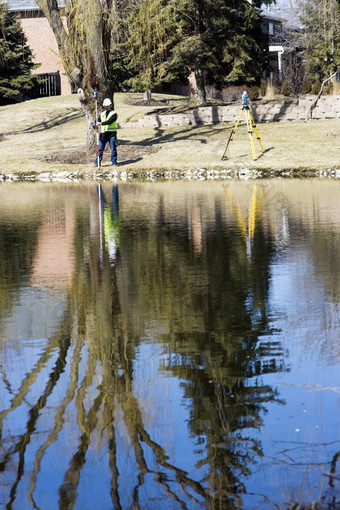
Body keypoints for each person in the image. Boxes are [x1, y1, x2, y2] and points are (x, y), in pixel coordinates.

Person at [94, 98, 118, 167]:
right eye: (105, 106)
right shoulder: (102, 114)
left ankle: (114, 162)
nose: (106, 107)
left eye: (108, 106)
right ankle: (97, 162)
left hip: (111, 135)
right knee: (100, 149)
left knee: (113, 149)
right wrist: (95, 124)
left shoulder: (114, 114)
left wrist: (100, 123)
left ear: (111, 105)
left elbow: (110, 121)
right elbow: (97, 121)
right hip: (103, 135)